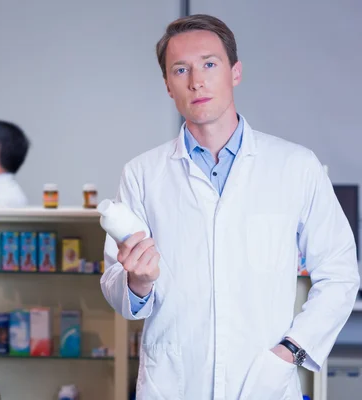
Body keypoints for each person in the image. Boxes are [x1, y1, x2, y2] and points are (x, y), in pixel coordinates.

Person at [100, 14, 360, 400]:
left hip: (262, 382)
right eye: (180, 70)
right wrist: (137, 282)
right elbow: (116, 289)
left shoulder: (295, 165)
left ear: (235, 72)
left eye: (209, 64)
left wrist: (290, 351)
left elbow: (340, 274)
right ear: (168, 87)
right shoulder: (142, 173)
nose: (196, 81)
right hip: (172, 383)